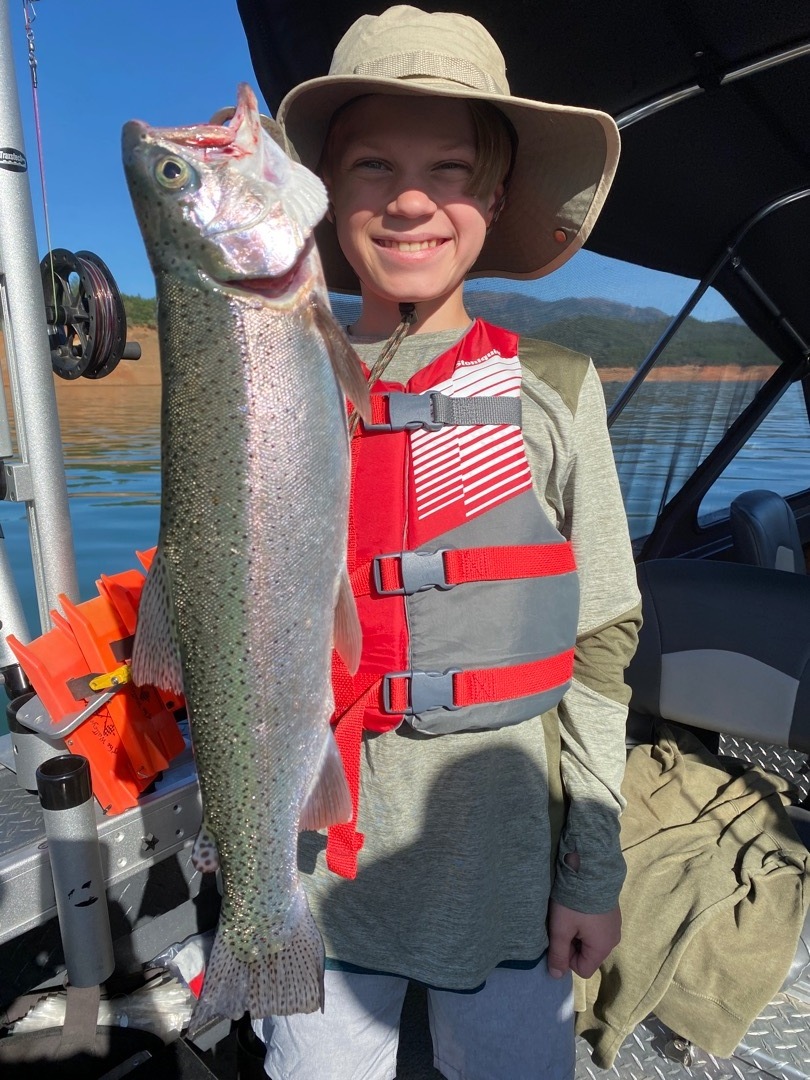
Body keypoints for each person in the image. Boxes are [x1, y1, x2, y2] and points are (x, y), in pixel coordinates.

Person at [253, 7, 642, 1078]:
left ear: (498, 198)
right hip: (314, 881)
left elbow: (602, 649)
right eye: (372, 164)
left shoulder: (558, 393)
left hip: (509, 886)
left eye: (451, 170)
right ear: (324, 197)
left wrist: (591, 873)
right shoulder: (268, 389)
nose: (412, 199)